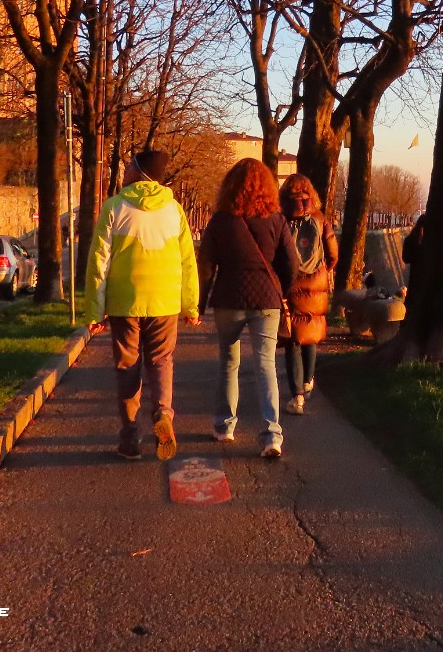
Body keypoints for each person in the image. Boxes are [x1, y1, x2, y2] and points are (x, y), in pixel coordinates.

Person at [85, 149, 200, 462]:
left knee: (128, 366)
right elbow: (188, 261)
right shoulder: (175, 210)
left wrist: (94, 312)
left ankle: (130, 437)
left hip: (125, 302)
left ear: (139, 173)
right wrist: (191, 305)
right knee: (161, 359)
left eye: (127, 169)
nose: (123, 174)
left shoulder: (114, 207)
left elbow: (99, 262)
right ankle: (163, 413)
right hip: (165, 300)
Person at [198, 158, 299, 459]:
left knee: (229, 362)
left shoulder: (219, 220)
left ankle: (224, 426)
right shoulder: (277, 220)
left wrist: (200, 304)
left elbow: (206, 267)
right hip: (267, 300)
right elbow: (291, 264)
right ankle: (271, 436)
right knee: (265, 365)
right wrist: (281, 289)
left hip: (229, 298)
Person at [279, 174, 338, 416]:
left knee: (293, 337)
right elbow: (333, 252)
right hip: (315, 280)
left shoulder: (281, 218)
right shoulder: (319, 218)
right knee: (310, 333)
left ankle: (297, 397)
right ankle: (309, 381)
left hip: (291, 282)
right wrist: (323, 271)